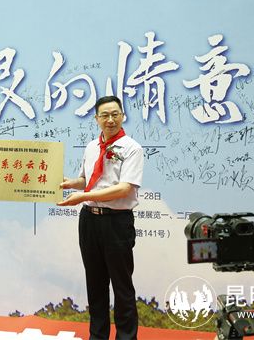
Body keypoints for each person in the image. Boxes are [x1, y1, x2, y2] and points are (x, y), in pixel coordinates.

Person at [59, 95, 144, 340]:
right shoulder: (91, 147)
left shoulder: (132, 148)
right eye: (105, 115)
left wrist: (83, 196)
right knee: (95, 285)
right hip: (89, 221)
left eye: (115, 114)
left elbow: (124, 188)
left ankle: (126, 337)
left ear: (123, 116)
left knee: (122, 286)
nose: (110, 120)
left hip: (116, 222)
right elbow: (86, 180)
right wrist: (68, 184)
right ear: (96, 119)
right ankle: (97, 336)